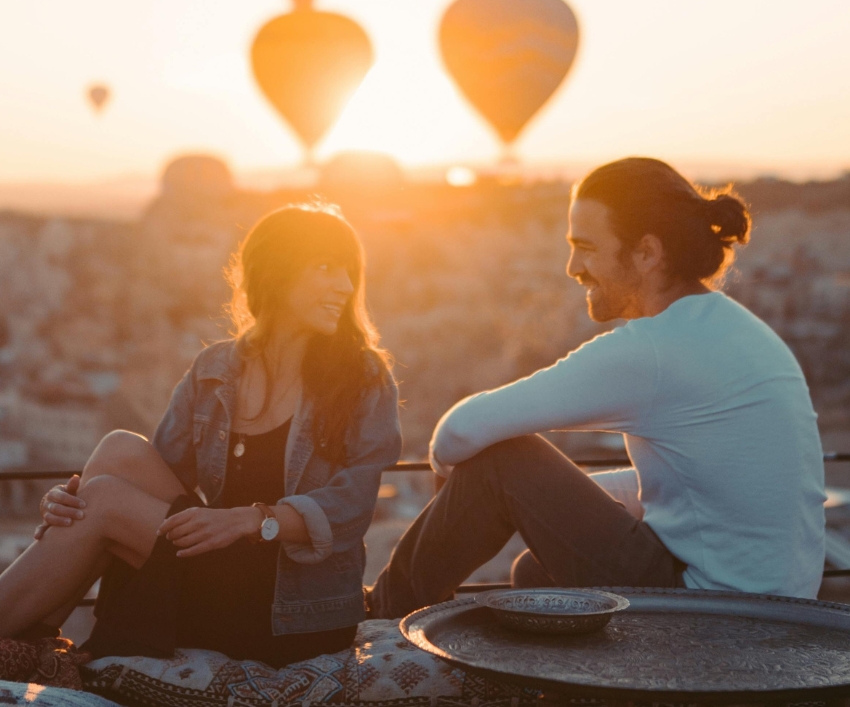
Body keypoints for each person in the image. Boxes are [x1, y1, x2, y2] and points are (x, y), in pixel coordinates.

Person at [369, 157, 826, 619]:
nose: (572, 267)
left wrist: (458, 482)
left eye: (585, 247)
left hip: (709, 613)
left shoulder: (652, 350)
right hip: (776, 612)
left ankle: (382, 613)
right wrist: (551, 498)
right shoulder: (738, 330)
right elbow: (704, 488)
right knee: (535, 576)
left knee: (503, 460)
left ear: (647, 253)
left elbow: (460, 430)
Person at [0, 203, 401, 666]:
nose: (346, 287)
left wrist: (252, 519)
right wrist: (69, 508)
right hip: (216, 571)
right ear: (275, 272)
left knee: (107, 497)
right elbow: (146, 478)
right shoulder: (216, 369)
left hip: (294, 606)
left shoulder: (362, 377)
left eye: (349, 272)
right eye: (326, 268)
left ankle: (26, 636)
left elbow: (353, 507)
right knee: (117, 452)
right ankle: (33, 638)